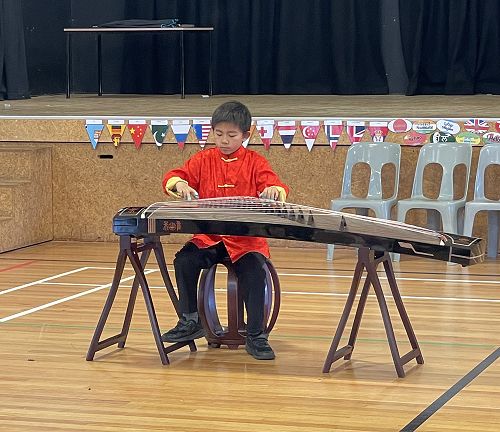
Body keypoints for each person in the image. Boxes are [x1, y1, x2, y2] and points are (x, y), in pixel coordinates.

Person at [161, 101, 289, 360]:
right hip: (209, 238)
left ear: (246, 135)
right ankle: (190, 320)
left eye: (231, 135)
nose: (224, 141)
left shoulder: (255, 162)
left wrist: (273, 191)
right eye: (218, 134)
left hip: (246, 240)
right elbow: (174, 176)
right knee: (184, 260)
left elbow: (275, 185)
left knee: (254, 273)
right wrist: (180, 185)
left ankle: (256, 335)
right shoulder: (203, 159)